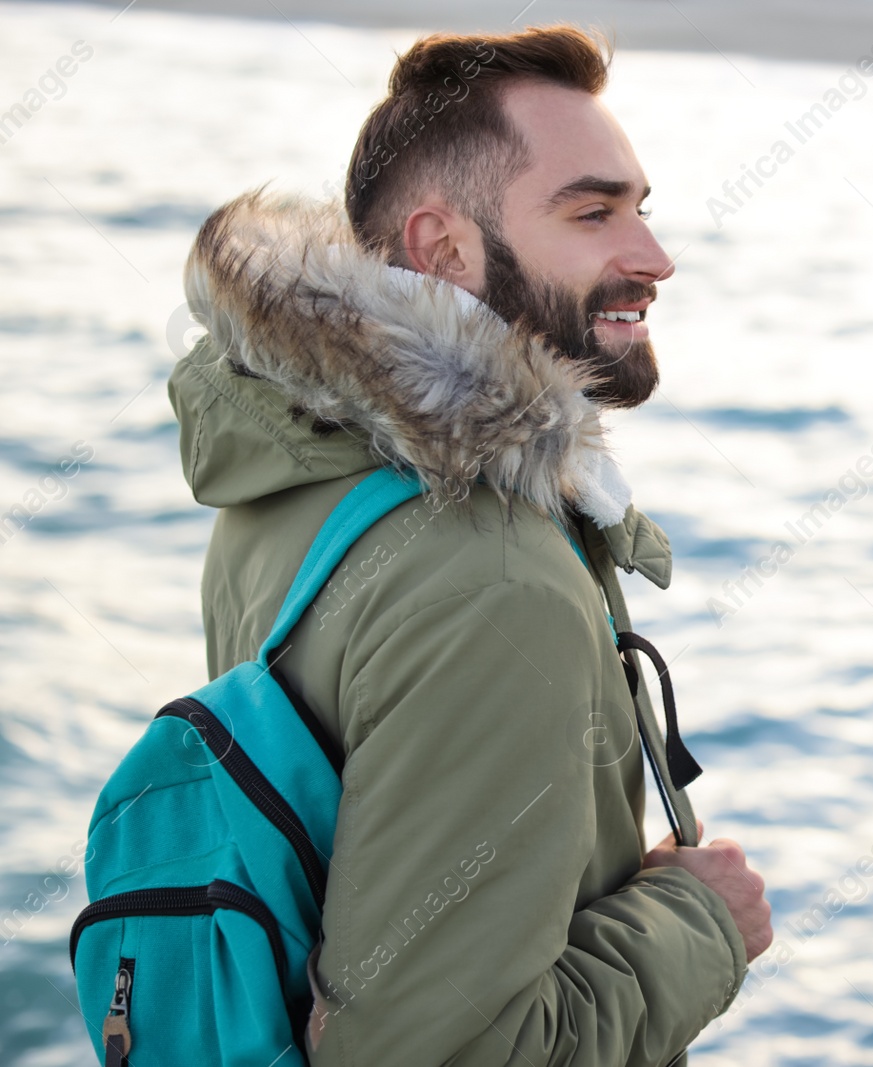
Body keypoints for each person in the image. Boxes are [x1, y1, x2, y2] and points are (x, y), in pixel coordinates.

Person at [169, 25, 771, 1065]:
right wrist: (700, 922)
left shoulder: (292, 478)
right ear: (441, 248)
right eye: (592, 212)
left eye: (641, 210)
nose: (653, 258)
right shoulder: (494, 577)